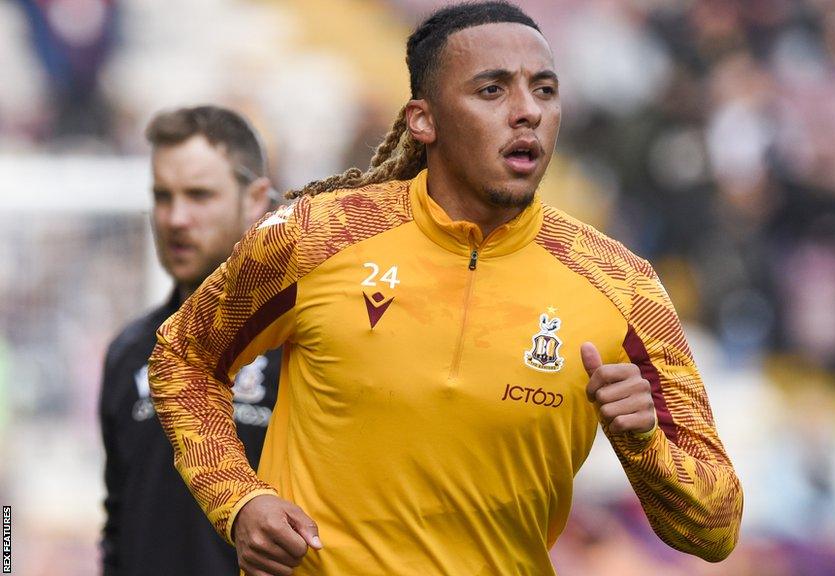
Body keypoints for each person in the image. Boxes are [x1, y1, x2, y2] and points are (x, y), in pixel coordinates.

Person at [149, 3, 743, 575]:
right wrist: (240, 500)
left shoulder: (620, 286)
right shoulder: (317, 236)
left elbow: (716, 526)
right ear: (423, 120)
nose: (528, 111)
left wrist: (644, 446)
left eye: (545, 90)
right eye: (492, 90)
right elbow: (183, 357)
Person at [100, 105, 281, 575]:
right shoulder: (130, 351)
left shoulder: (304, 346)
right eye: (163, 196)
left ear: (255, 198)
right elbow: (118, 521)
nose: (176, 218)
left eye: (199, 195)